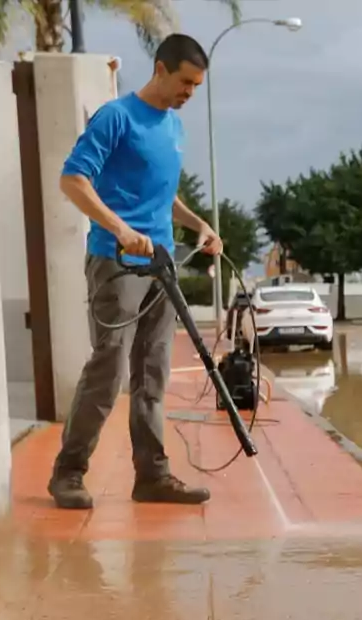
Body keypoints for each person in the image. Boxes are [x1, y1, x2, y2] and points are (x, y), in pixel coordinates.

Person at [48, 34, 222, 510]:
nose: (190, 93)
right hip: (116, 262)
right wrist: (121, 229)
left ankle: (153, 477)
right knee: (109, 368)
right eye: (185, 82)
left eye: (197, 86)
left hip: (161, 265)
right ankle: (68, 472)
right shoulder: (116, 117)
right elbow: (73, 179)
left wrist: (198, 224)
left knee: (153, 373)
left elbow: (161, 193)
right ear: (161, 69)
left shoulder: (174, 128)